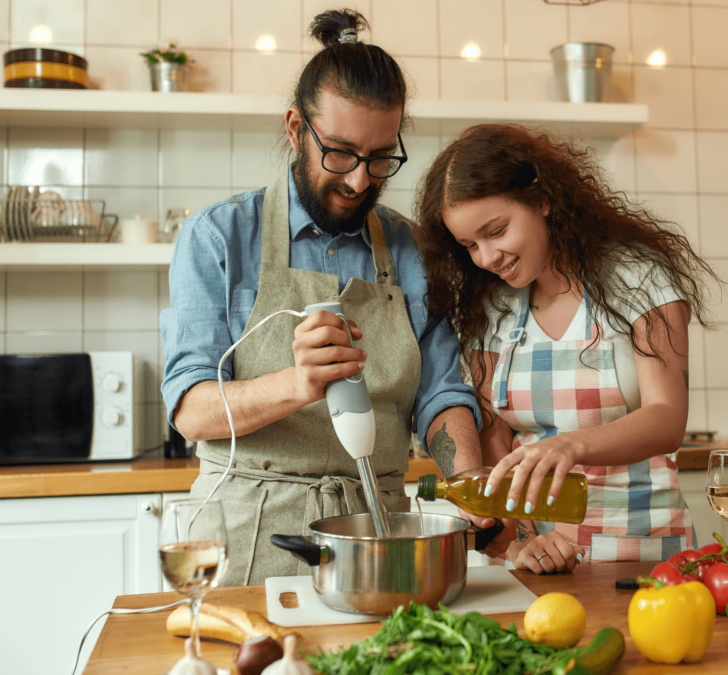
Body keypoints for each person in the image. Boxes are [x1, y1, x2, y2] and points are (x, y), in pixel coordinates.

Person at [160, 10, 493, 587]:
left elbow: (441, 394)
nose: (359, 180)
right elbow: (192, 409)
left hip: (380, 536)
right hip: (250, 535)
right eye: (339, 153)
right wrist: (299, 382)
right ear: (295, 129)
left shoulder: (412, 250)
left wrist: (471, 487)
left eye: (380, 157)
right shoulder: (219, 237)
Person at [414, 124, 719, 573]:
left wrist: (569, 446)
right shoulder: (494, 304)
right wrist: (522, 540)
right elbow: (494, 433)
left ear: (541, 200)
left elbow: (667, 417)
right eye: (469, 245)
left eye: (496, 231)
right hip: (543, 558)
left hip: (644, 552)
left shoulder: (638, 278)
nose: (486, 257)